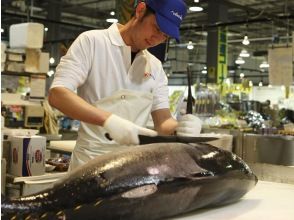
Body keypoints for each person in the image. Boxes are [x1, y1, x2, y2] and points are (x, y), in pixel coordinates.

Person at [48, 0, 202, 171]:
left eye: (165, 36)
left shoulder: (155, 66)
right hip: (89, 166)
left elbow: (163, 121)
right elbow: (58, 95)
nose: (157, 39)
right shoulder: (92, 42)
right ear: (141, 10)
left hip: (133, 168)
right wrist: (108, 120)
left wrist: (180, 128)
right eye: (157, 28)